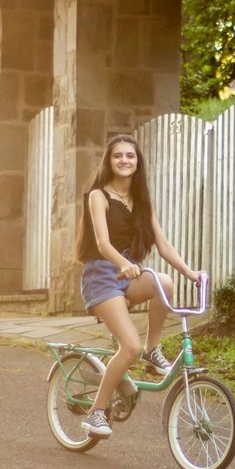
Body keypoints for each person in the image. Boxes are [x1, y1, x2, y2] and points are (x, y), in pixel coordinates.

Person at [74, 134, 200, 438]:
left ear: (138, 162)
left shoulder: (142, 201)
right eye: (118, 156)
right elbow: (103, 244)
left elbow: (164, 245)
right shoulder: (98, 196)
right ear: (109, 161)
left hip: (127, 274)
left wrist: (190, 272)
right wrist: (123, 265)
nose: (124, 161)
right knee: (127, 345)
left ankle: (152, 349)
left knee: (164, 283)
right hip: (102, 275)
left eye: (130, 156)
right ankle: (96, 414)